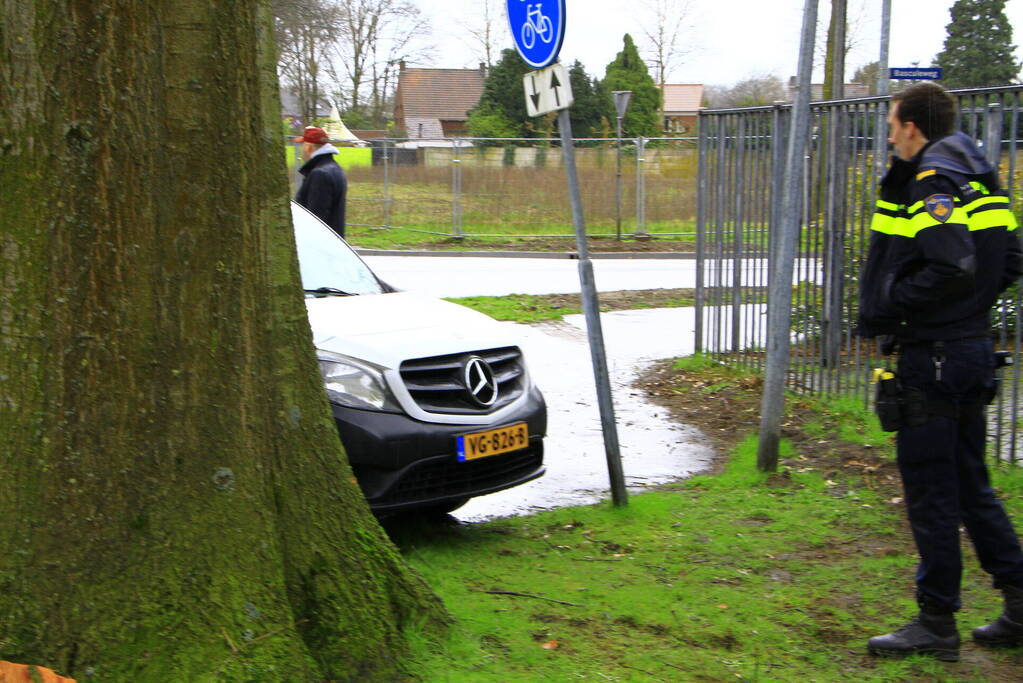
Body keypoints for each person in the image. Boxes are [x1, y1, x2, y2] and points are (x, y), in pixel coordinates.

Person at [857, 82, 1023, 662]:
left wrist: (898, 302)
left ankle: (935, 622)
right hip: (969, 350)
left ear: (911, 126)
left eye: (891, 124)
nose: (888, 134)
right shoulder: (979, 169)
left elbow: (950, 263)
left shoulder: (933, 177)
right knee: (971, 485)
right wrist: (969, 311)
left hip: (935, 357)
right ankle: (1020, 602)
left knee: (931, 492)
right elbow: (1012, 257)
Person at [294, 125, 348, 239]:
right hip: (334, 243)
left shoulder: (319, 174)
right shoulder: (335, 169)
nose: (302, 150)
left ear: (309, 147)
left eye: (303, 145)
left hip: (321, 248)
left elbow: (315, 220)